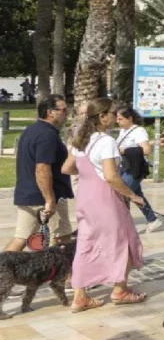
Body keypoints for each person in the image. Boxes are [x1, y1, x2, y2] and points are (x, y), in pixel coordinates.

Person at [62, 98, 147, 311]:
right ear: (102, 116)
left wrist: (89, 175)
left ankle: (80, 295)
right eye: (112, 113)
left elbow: (67, 168)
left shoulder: (81, 139)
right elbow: (111, 176)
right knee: (125, 241)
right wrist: (133, 195)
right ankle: (120, 289)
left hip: (86, 197)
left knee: (86, 243)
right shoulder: (106, 141)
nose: (115, 117)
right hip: (106, 199)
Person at [8, 94, 72, 253]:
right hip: (45, 196)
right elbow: (42, 168)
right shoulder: (47, 135)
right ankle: (62, 276)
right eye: (63, 110)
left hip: (30, 193)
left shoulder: (31, 130)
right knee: (61, 239)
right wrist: (50, 200)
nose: (66, 113)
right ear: (51, 112)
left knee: (22, 237)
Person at [115, 106, 162, 233]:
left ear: (129, 118)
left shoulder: (139, 131)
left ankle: (123, 225)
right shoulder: (123, 131)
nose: (117, 121)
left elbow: (146, 150)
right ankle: (152, 219)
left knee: (123, 193)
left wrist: (125, 150)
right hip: (124, 167)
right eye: (117, 119)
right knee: (136, 195)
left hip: (135, 168)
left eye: (120, 119)